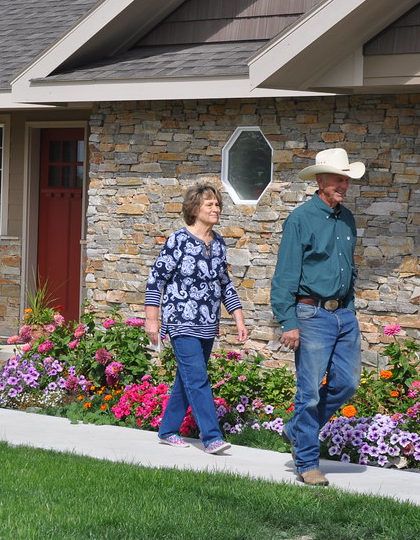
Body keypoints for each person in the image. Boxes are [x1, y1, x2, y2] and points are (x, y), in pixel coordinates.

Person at [270, 148, 365, 486]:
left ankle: (296, 429)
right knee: (308, 392)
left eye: (346, 179)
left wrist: (350, 308)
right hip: (310, 314)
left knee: (347, 384)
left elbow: (348, 268)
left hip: (343, 315)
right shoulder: (300, 219)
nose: (343, 185)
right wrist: (289, 322)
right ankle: (307, 463)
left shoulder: (347, 218)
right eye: (338, 179)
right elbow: (284, 275)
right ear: (320, 180)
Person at [145, 182, 249, 454]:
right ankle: (212, 437)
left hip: (207, 324)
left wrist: (238, 319)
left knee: (188, 378)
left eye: (217, 204)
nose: (215, 209)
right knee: (198, 378)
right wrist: (152, 320)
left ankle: (167, 430)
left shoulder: (219, 243)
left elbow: (225, 284)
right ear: (194, 208)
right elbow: (156, 280)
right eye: (209, 204)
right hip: (180, 321)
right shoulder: (178, 240)